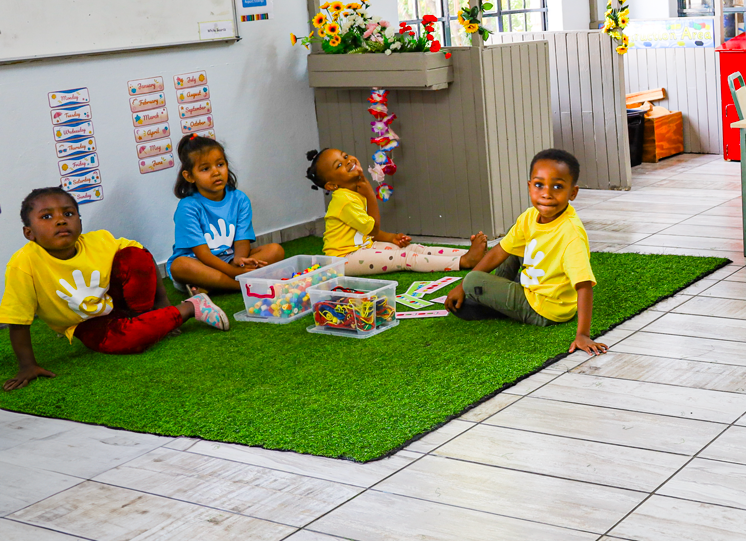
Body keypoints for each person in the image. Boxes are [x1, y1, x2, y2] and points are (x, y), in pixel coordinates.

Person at [2, 187, 230, 389]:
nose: (61, 220)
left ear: (80, 221)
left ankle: (154, 317)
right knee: (127, 341)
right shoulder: (23, 264)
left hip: (115, 302)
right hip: (85, 322)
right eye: (47, 216)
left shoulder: (99, 240)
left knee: (133, 255)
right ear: (29, 233)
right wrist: (27, 366)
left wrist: (161, 306)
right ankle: (191, 308)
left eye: (69, 214)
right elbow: (18, 321)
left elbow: (143, 257)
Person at [443, 148, 607, 356]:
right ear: (530, 186)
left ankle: (492, 302)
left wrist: (582, 334)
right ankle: (493, 299)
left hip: (546, 309)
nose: (546, 193)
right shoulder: (529, 217)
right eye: (539, 185)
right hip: (532, 286)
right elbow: (500, 251)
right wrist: (459, 287)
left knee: (473, 280)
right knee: (511, 246)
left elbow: (584, 286)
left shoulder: (571, 234)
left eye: (557, 187)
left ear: (572, 193)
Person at [306, 147, 487, 274]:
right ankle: (463, 262)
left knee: (413, 248)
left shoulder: (350, 192)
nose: (348, 162)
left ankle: (468, 255)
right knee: (404, 258)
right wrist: (369, 192)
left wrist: (391, 238)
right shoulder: (344, 199)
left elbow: (365, 233)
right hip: (343, 259)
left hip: (362, 247)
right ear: (332, 184)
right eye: (339, 165)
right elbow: (373, 229)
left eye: (345, 156)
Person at [168, 134, 284, 292]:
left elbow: (242, 240)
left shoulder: (240, 199)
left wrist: (240, 262)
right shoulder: (187, 207)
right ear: (189, 176)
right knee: (179, 266)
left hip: (229, 259)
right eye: (205, 169)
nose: (216, 172)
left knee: (275, 250)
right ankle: (239, 286)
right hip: (198, 263)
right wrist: (234, 272)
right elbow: (202, 253)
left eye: (220, 164)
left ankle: (211, 286)